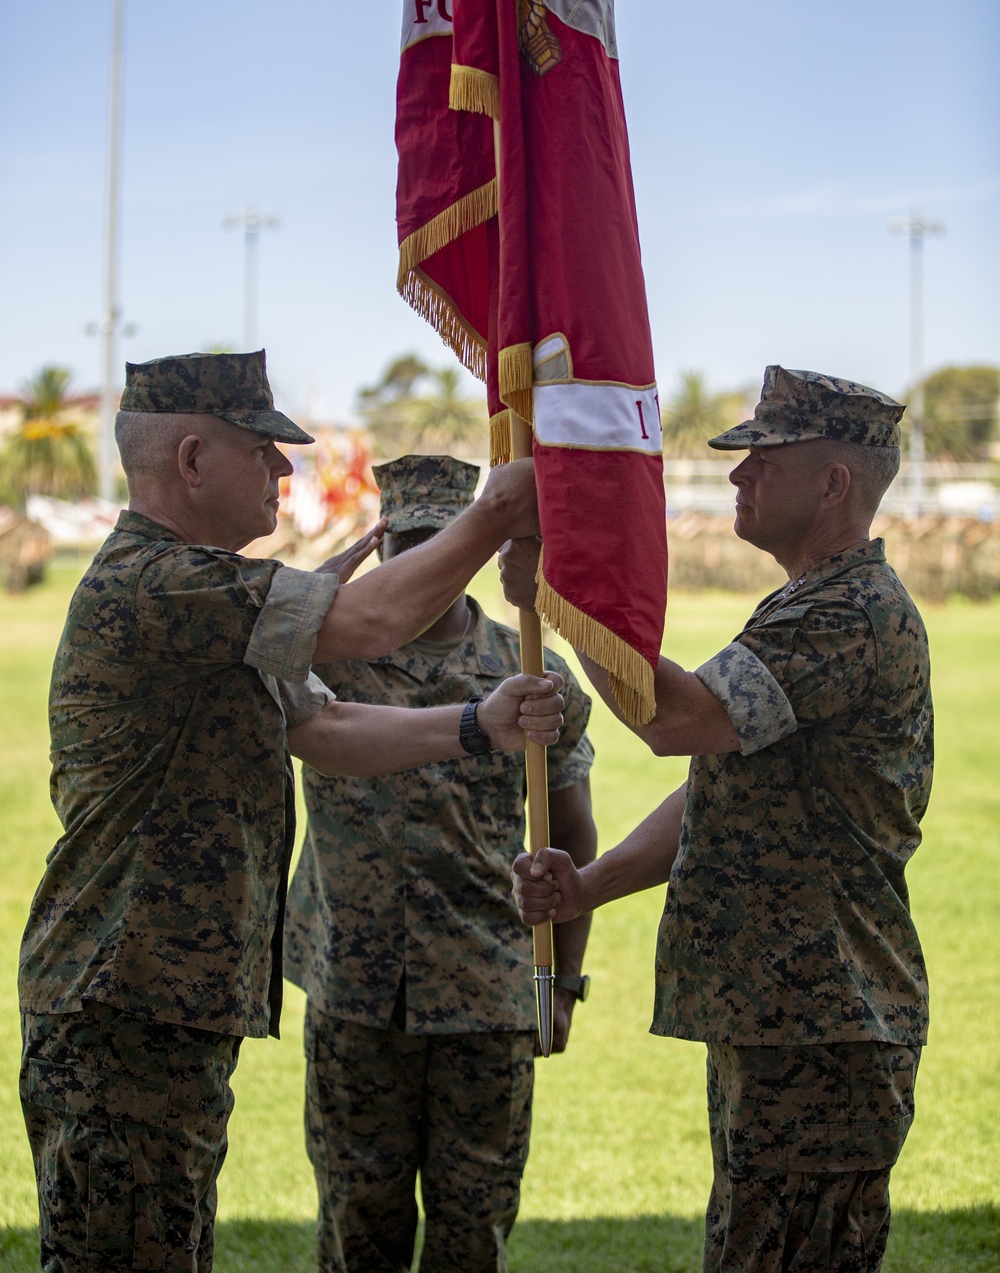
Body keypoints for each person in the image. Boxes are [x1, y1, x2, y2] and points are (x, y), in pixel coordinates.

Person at [18, 351, 564, 1273]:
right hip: (123, 1003)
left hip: (163, 1002)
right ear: (192, 459)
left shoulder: (201, 591)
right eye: (264, 449)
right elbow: (368, 628)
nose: (285, 470)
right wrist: (497, 514)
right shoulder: (159, 583)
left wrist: (476, 722)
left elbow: (327, 723)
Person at [506, 367, 933, 1273]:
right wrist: (590, 884)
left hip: (821, 1030)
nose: (738, 476)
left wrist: (563, 597)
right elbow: (719, 784)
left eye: (761, 460)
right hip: (789, 1022)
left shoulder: (846, 611)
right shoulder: (808, 603)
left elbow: (679, 720)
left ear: (833, 483)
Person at [283, 453, 597, 1273]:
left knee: (473, 1233)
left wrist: (562, 983)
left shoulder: (528, 670)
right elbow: (256, 646)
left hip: (486, 992)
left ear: (473, 546)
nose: (422, 561)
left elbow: (570, 834)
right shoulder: (329, 658)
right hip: (356, 994)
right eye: (405, 544)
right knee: (359, 1230)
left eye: (440, 539)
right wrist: (319, 592)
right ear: (384, 548)